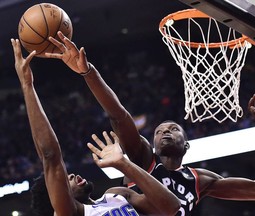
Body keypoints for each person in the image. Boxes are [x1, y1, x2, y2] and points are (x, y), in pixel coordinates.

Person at [45, 31, 255, 215]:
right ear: (153, 144)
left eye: (173, 129)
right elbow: (119, 115)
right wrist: (88, 72)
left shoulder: (199, 180)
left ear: (186, 146)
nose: (165, 131)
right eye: (159, 131)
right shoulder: (143, 157)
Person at [11, 38, 181, 216]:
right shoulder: (69, 212)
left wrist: (123, 163)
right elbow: (50, 156)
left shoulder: (116, 196)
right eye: (63, 181)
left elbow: (172, 207)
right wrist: (27, 85)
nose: (69, 175)